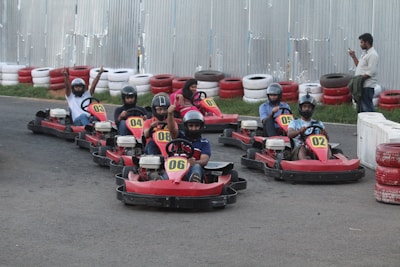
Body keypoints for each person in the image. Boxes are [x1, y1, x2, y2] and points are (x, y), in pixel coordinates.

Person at [167, 105, 211, 182]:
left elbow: (205, 160)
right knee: (165, 164)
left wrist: (195, 162)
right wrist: (170, 114)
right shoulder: (180, 136)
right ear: (186, 126)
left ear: (201, 126)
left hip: (190, 170)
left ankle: (194, 180)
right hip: (174, 169)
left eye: (196, 126)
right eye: (191, 126)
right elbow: (172, 130)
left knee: (197, 166)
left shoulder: (204, 143)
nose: (193, 128)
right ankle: (162, 181)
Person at [287, 94, 330, 160]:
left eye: (309, 107)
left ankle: (328, 162)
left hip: (316, 149)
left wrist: (325, 135)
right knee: (302, 148)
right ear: (301, 108)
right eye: (304, 107)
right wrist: (299, 131)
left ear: (312, 109)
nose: (307, 109)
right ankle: (305, 163)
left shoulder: (318, 123)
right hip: (298, 150)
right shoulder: (294, 122)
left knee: (327, 147)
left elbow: (326, 140)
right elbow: (289, 134)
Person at [348, 33, 379, 113]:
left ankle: (371, 124)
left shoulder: (373, 55)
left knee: (367, 109)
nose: (360, 44)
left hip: (367, 86)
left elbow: (371, 72)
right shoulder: (365, 54)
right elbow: (359, 66)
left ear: (367, 42)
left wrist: (358, 80)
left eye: (361, 42)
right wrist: (354, 57)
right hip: (362, 86)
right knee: (361, 110)